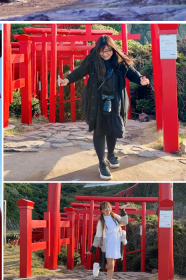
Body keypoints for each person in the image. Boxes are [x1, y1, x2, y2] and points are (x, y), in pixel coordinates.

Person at [58, 36, 150, 180]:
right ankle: (102, 163)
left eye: (107, 50)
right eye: (101, 51)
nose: (105, 54)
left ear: (113, 49)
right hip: (97, 100)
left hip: (115, 100)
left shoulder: (120, 61)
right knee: (99, 129)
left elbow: (132, 72)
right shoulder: (92, 59)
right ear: (97, 50)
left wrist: (140, 79)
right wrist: (67, 80)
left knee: (112, 127)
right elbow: (80, 71)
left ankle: (111, 155)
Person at [91, 202, 130, 280]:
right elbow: (98, 235)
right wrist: (93, 248)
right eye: (105, 208)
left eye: (108, 207)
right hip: (108, 245)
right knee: (111, 265)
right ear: (102, 210)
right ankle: (98, 266)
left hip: (116, 245)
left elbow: (124, 222)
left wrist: (122, 210)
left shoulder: (114, 216)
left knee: (111, 267)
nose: (107, 209)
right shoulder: (101, 221)